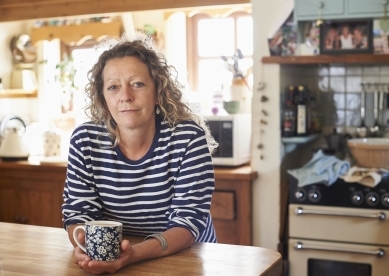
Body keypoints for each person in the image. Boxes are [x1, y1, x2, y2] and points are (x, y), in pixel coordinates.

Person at [61, 33, 218, 274]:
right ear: (104, 99)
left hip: (186, 258)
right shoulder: (85, 140)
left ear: (158, 92)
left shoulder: (188, 138)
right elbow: (79, 212)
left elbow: (187, 223)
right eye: (113, 87)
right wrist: (83, 243)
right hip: (118, 260)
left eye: (137, 84)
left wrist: (134, 254)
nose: (125, 96)